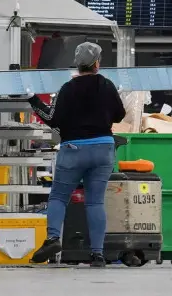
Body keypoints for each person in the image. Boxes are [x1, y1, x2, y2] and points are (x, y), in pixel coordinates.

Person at [29, 42, 126, 266]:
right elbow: (119, 116)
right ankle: (97, 254)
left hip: (73, 149)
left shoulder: (67, 88)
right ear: (96, 64)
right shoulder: (107, 85)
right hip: (103, 148)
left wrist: (33, 100)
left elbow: (52, 119)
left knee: (59, 198)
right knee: (95, 203)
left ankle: (53, 238)